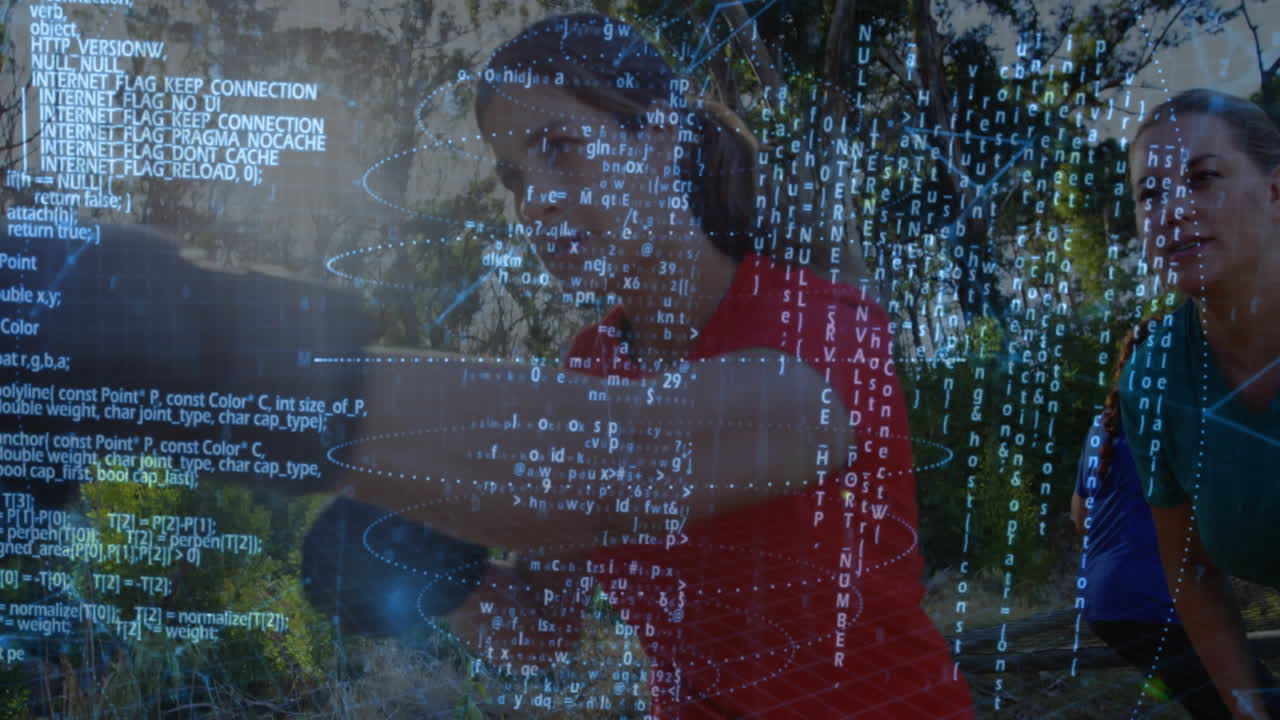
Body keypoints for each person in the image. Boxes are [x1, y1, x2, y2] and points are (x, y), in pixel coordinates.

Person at [313, 13, 974, 718]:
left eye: (559, 147)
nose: (534, 202)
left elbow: (626, 464)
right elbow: (540, 628)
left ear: (660, 136)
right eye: (514, 176)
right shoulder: (592, 362)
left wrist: (303, 391)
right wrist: (443, 578)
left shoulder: (821, 326)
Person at [1120, 88, 1280, 720]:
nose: (1172, 211)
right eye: (1150, 194)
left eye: (1202, 177)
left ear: (1275, 191)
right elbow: (1193, 572)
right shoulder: (1155, 376)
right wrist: (1248, 708)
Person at [1074, 333, 1246, 719]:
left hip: (1104, 600)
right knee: (1246, 701)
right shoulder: (1184, 425)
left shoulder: (1102, 428)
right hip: (1155, 601)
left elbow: (1081, 518)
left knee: (1226, 701)